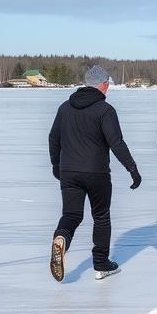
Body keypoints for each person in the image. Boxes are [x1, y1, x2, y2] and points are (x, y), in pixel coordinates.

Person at [48, 64, 142, 282]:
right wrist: (132, 168)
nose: (108, 87)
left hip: (69, 171)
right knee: (101, 217)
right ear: (101, 84)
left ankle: (61, 238)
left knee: (71, 215)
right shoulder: (105, 110)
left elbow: (53, 138)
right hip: (96, 173)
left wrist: (56, 166)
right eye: (107, 83)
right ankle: (101, 264)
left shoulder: (65, 108)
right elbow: (116, 143)